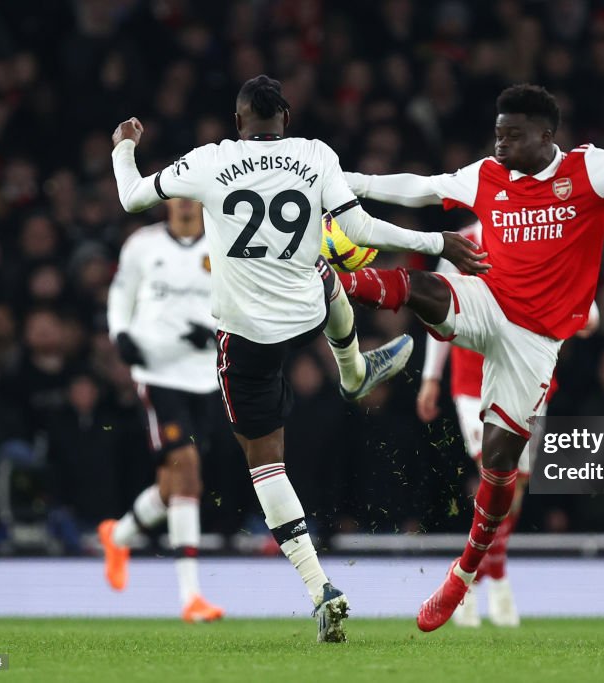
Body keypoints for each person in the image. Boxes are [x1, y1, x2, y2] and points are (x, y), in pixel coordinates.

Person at [109, 75, 484, 642]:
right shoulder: (315, 155)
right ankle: (354, 371)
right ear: (285, 117)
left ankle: (320, 588)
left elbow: (132, 197)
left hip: (244, 337)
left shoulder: (210, 161)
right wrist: (435, 241)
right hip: (305, 313)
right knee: (328, 276)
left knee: (266, 464)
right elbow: (356, 228)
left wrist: (123, 145)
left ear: (239, 123)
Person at [341, 83, 604, 631]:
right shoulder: (487, 176)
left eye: (512, 136)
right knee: (424, 286)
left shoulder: (589, 171)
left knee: (501, 469)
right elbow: (421, 189)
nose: (500, 145)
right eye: (497, 134)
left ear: (546, 136)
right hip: (488, 301)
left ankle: (463, 575)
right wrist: (351, 182)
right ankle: (335, 280)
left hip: (535, 343)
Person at [416, 221, 598, 628]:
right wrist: (430, 377)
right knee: (497, 477)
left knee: (516, 489)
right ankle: (488, 582)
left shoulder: (546, 235)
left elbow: (589, 311)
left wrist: (581, 314)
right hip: (472, 382)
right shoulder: (460, 241)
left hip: (529, 374)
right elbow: (435, 305)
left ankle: (482, 576)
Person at [98, 198, 226, 623]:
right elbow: (121, 294)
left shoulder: (224, 245)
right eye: (179, 193)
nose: (186, 202)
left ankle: (118, 535)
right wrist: (121, 335)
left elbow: (237, 303)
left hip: (205, 377)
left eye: (194, 193)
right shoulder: (143, 244)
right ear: (168, 200)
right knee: (188, 469)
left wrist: (211, 332)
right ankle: (191, 597)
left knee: (174, 485)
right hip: (157, 373)